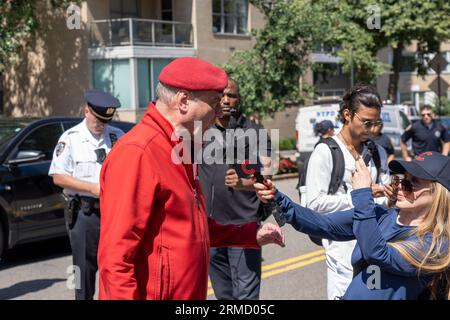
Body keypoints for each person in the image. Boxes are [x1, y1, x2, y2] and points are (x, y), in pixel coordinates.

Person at [97, 57, 284, 300]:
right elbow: (116, 259)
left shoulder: (179, 147)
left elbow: (188, 227)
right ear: (184, 101)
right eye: (214, 102)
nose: (220, 110)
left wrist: (249, 235)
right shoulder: (139, 152)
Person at [255, 151, 450, 300]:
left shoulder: (436, 244)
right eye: (401, 180)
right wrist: (278, 198)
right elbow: (323, 224)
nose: (400, 187)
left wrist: (363, 195)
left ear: (438, 194)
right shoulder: (380, 215)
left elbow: (378, 253)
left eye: (411, 184)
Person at [303, 84, 392, 300]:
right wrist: (361, 196)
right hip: (341, 249)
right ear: (347, 115)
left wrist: (392, 193)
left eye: (376, 123)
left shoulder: (377, 151)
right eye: (366, 122)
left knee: (373, 296)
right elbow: (314, 204)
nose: (372, 130)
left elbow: (385, 197)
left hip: (375, 247)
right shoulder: (326, 152)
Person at [199, 79, 272, 300]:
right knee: (224, 295)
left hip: (244, 224)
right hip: (210, 226)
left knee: (246, 297)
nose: (226, 100)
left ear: (238, 99)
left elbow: (267, 179)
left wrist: (243, 183)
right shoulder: (200, 131)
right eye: (221, 95)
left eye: (231, 95)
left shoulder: (255, 132)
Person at [49, 90, 124, 300]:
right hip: (85, 213)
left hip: (114, 214)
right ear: (86, 111)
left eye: (105, 120)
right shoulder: (71, 138)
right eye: (98, 119)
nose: (101, 124)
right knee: (84, 275)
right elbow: (58, 176)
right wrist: (91, 188)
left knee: (115, 270)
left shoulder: (117, 136)